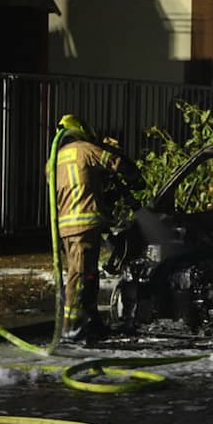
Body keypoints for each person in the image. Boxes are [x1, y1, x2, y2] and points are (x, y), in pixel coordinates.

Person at [48, 114, 143, 344]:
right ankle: (72, 328)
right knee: (79, 276)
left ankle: (92, 323)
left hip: (67, 226)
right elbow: (117, 164)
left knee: (87, 275)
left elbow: (76, 185)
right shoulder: (86, 149)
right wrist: (132, 174)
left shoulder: (54, 160)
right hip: (84, 224)